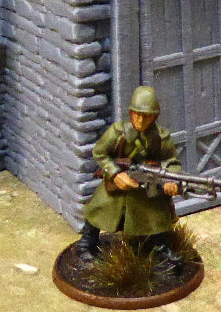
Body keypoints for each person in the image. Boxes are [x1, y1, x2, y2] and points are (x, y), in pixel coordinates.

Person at [77, 85, 182, 258]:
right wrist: (115, 174)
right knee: (99, 207)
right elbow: (99, 153)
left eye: (146, 116)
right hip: (119, 183)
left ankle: (160, 248)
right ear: (131, 113)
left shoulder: (161, 137)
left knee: (157, 214)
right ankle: (87, 243)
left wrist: (172, 179)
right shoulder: (118, 133)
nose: (140, 120)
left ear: (154, 117)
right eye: (137, 114)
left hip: (147, 186)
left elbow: (171, 160)